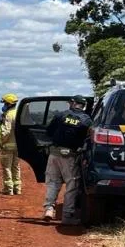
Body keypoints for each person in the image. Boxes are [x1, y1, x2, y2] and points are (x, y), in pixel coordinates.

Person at [43, 95, 92, 225]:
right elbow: (87, 140)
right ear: (83, 106)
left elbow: (49, 132)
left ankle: (49, 209)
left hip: (54, 154)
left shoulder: (60, 115)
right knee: (72, 185)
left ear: (72, 103)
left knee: (53, 182)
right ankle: (67, 216)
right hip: (70, 156)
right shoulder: (86, 120)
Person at [0, 93, 21, 195]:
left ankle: (8, 189)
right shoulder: (18, 114)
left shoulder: (8, 115)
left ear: (9, 104)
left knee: (7, 167)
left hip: (7, 146)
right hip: (18, 146)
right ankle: (17, 188)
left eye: (5, 103)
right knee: (16, 167)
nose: (4, 105)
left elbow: (6, 132)